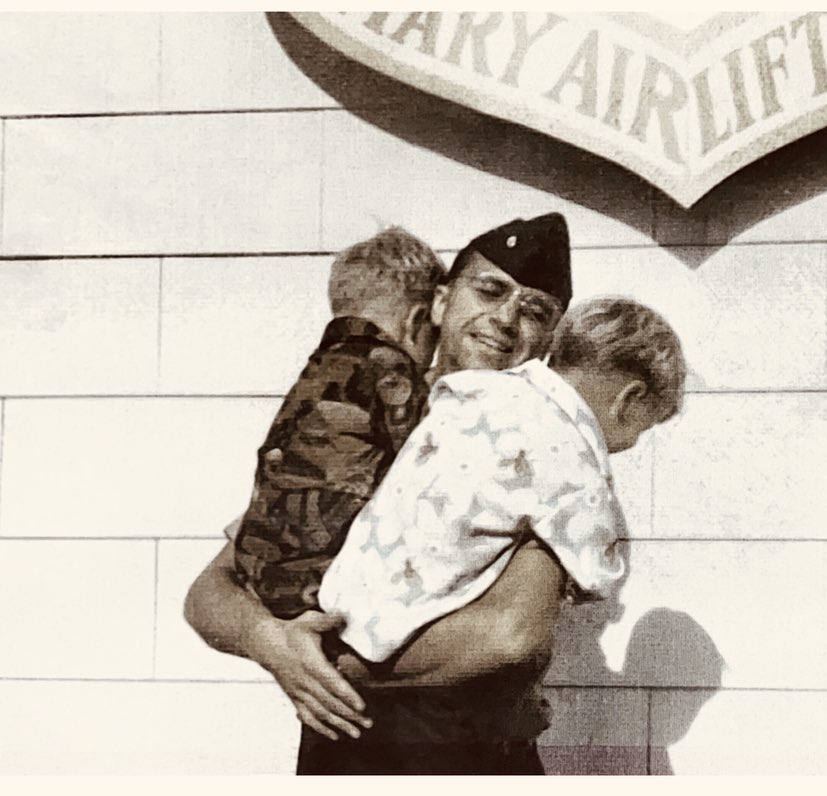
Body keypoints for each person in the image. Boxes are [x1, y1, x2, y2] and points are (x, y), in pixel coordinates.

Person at [184, 213, 577, 773]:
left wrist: (328, 660)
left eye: (535, 311)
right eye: (490, 291)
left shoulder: (543, 447)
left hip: (471, 756)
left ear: (548, 342)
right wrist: (269, 641)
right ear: (439, 303)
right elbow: (209, 592)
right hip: (343, 746)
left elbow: (510, 638)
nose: (506, 318)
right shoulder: (363, 411)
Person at [318, 296, 684, 669]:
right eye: (643, 427)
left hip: (342, 598)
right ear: (629, 399)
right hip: (401, 635)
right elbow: (596, 573)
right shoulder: (575, 461)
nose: (632, 443)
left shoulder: (478, 389)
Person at [231, 227, 443, 623]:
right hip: (327, 582)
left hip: (265, 574)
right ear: (416, 321)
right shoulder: (389, 366)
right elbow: (428, 451)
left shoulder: (317, 369)